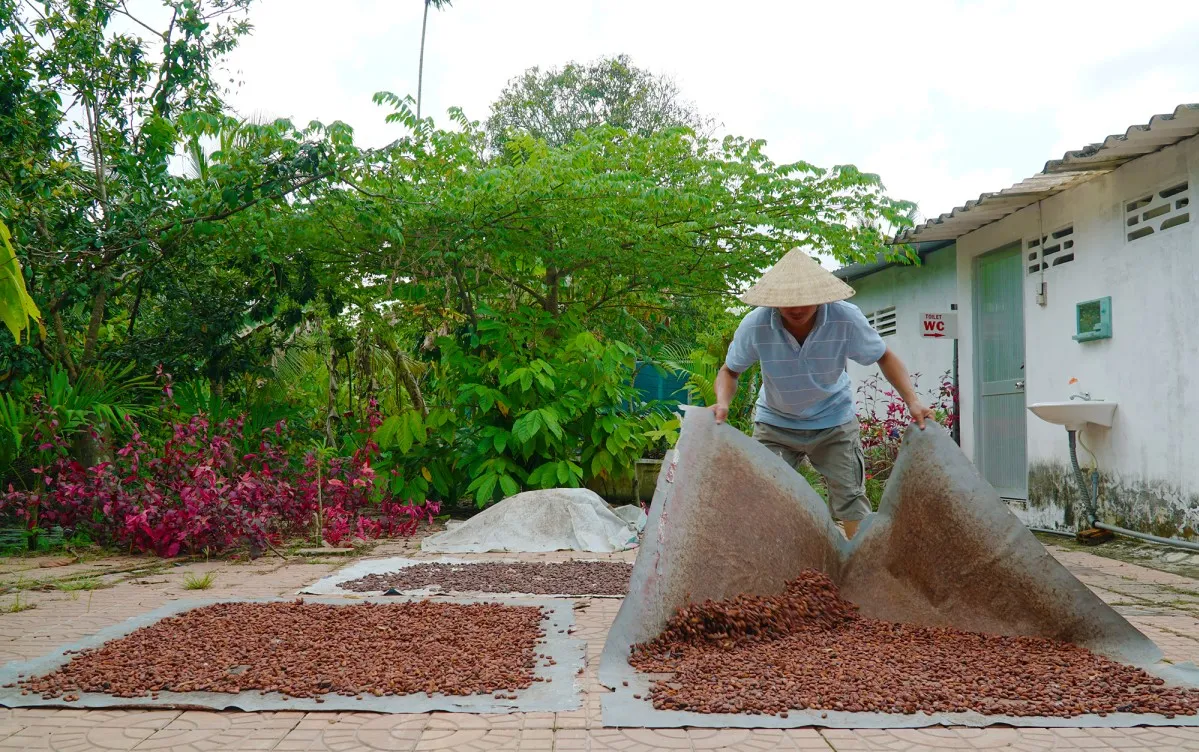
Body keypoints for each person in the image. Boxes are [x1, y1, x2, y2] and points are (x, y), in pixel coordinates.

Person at [712, 248, 935, 539]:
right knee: (764, 498)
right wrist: (722, 403)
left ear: (821, 295)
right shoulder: (755, 325)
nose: (796, 308)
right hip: (775, 423)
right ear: (773, 300)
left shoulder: (845, 318)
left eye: (805, 299)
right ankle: (773, 575)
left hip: (834, 422)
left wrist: (913, 401)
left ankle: (858, 571)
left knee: (851, 500)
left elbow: (884, 356)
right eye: (787, 301)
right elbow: (729, 371)